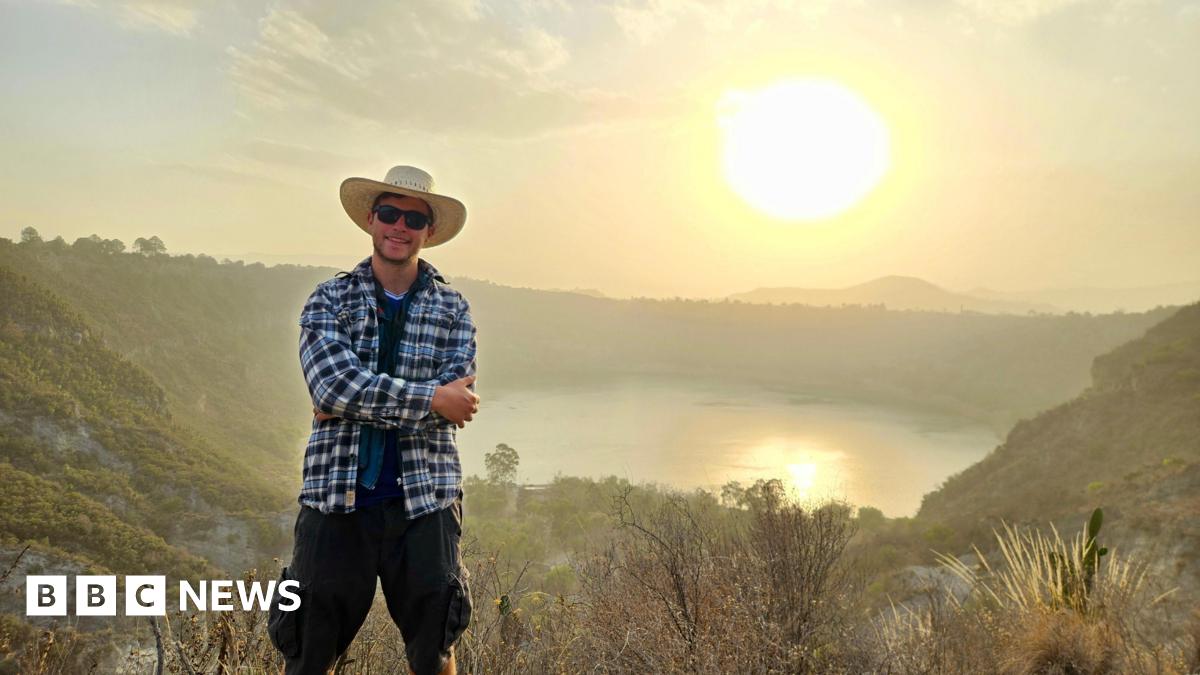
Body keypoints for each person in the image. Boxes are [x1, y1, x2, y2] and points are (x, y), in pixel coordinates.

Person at [269, 165, 479, 675]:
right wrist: (430, 399)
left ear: (429, 231)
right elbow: (333, 386)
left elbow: (459, 403)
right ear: (370, 219)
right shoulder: (328, 299)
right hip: (334, 500)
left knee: (436, 651)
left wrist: (350, 402)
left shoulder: (453, 308)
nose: (399, 226)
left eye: (413, 218)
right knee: (309, 650)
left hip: (426, 501)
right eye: (389, 213)